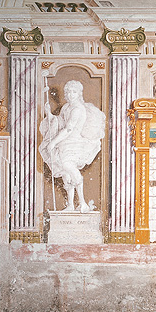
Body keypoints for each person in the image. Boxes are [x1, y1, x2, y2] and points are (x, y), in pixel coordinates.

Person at [39, 80, 105, 213]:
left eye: (73, 92)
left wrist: (53, 142)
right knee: (65, 173)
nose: (70, 95)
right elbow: (60, 124)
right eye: (68, 92)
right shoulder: (66, 108)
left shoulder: (78, 109)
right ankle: (70, 205)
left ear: (79, 94)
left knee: (67, 166)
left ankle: (82, 202)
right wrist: (49, 114)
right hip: (63, 141)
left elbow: (69, 129)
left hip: (74, 142)